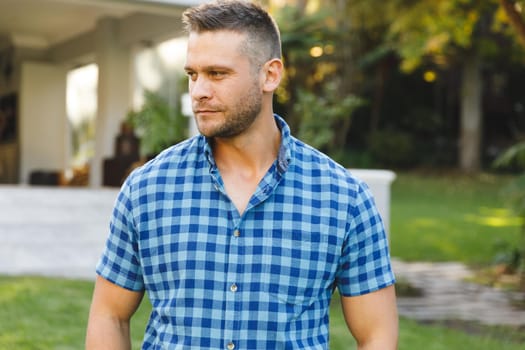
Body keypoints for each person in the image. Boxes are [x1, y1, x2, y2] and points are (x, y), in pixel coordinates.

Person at [85, 1, 398, 349]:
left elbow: (377, 335)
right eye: (193, 74)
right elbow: (109, 315)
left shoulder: (344, 199)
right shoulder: (146, 190)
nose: (199, 91)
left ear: (270, 75)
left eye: (217, 74)